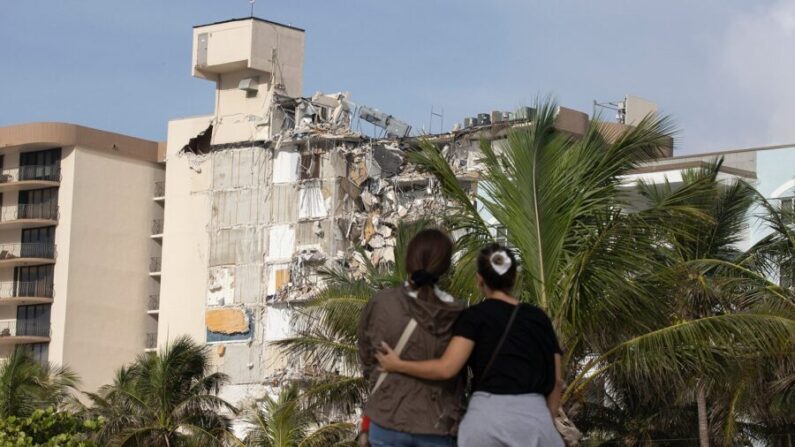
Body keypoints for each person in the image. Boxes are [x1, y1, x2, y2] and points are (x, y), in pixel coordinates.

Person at [376, 243, 565, 447]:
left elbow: (447, 368)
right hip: (535, 420)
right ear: (514, 277)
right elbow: (556, 381)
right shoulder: (539, 318)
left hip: (486, 422)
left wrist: (397, 365)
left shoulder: (473, 317)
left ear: (479, 279)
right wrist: (545, 418)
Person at [357, 229, 467, 447]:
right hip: (436, 423)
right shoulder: (457, 313)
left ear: (408, 261)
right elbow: (458, 371)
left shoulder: (382, 303)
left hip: (386, 419)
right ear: (445, 267)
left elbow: (366, 354)